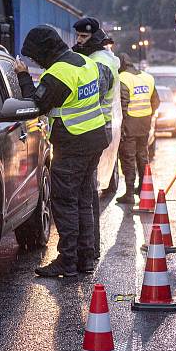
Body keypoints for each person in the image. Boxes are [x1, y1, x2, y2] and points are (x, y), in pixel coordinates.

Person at [13, 25, 109, 277]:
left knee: (66, 202)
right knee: (83, 200)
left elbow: (37, 105)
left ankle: (68, 261)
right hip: (95, 137)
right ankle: (85, 258)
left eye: (34, 56)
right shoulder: (83, 62)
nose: (34, 61)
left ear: (44, 50)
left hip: (73, 143)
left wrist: (23, 75)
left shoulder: (57, 74)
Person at [72, 17, 120, 261]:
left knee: (86, 194)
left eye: (83, 37)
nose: (79, 41)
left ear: (95, 37)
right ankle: (89, 251)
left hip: (93, 129)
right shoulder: (97, 58)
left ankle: (88, 252)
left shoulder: (100, 62)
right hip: (95, 128)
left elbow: (91, 96)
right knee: (86, 192)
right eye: (77, 37)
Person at [115, 54, 159, 204]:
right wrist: (147, 116)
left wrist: (121, 127)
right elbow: (156, 101)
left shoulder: (123, 79)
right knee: (143, 156)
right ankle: (143, 188)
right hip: (144, 124)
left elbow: (122, 105)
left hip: (129, 125)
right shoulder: (148, 78)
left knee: (128, 158)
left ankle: (129, 192)